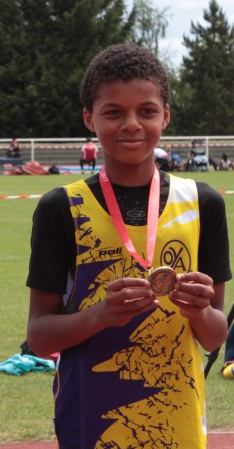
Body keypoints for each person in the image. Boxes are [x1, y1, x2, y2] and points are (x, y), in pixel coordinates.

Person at [26, 43, 231, 448]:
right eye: (114, 112)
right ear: (90, 118)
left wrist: (199, 309)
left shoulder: (203, 203)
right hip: (92, 421)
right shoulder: (62, 208)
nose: (132, 124)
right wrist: (101, 315)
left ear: (165, 115)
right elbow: (40, 337)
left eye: (147, 111)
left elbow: (214, 337)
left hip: (176, 421)